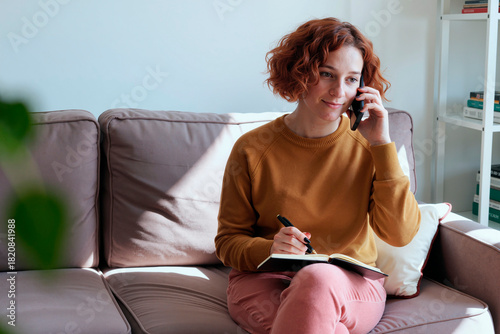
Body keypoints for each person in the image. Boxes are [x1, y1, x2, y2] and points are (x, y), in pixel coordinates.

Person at [214, 17, 421, 334]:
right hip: (266, 279)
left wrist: (381, 143)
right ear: (299, 72)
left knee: (317, 279)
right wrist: (270, 248)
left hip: (350, 284)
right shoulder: (252, 149)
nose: (339, 91)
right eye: (327, 74)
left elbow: (400, 234)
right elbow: (228, 243)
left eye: (352, 80)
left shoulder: (371, 147)